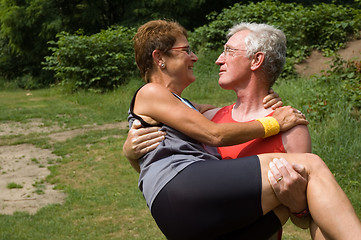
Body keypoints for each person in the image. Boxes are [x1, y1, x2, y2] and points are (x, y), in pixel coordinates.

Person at [125, 19, 361, 240]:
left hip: (182, 215)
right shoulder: (151, 92)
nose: (196, 57)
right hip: (183, 191)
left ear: (257, 60)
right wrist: (273, 123)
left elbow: (306, 214)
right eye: (186, 50)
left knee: (281, 205)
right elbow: (213, 134)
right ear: (159, 58)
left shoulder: (189, 109)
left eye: (228, 51)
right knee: (312, 164)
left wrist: (297, 205)